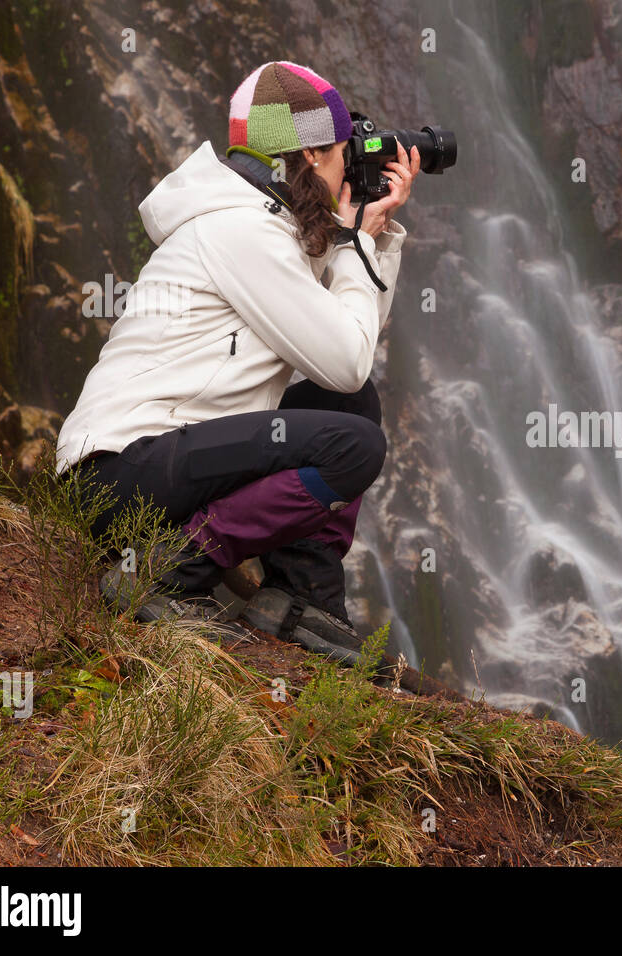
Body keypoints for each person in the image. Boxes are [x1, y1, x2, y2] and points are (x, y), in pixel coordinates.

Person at [55, 61, 419, 656]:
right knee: (355, 445)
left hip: (167, 464)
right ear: (306, 157)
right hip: (117, 475)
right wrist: (355, 241)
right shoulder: (240, 232)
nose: (345, 169)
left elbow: (349, 345)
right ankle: (171, 570)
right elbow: (349, 354)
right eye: (338, 154)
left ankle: (301, 599)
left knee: (350, 404)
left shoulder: (266, 227)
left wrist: (372, 237)